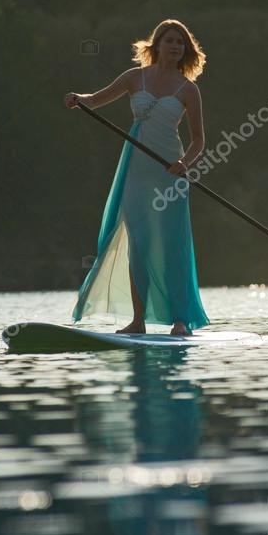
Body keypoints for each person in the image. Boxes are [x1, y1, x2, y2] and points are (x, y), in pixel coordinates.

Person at [63, 19, 209, 336]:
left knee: (171, 243)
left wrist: (184, 163)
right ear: (157, 45)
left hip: (169, 172)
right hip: (136, 171)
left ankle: (181, 320)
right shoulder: (134, 77)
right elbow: (95, 99)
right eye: (170, 40)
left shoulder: (188, 89)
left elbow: (199, 140)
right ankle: (138, 319)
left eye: (180, 43)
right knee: (139, 244)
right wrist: (78, 98)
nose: (175, 46)